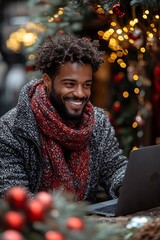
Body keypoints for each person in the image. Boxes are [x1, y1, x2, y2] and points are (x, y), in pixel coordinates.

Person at [0, 34, 128, 202]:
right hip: (40, 226)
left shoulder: (98, 122)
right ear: (47, 81)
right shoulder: (11, 128)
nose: (80, 93)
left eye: (86, 85)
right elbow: (14, 196)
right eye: (70, 84)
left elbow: (115, 168)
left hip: (91, 224)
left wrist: (129, 186)